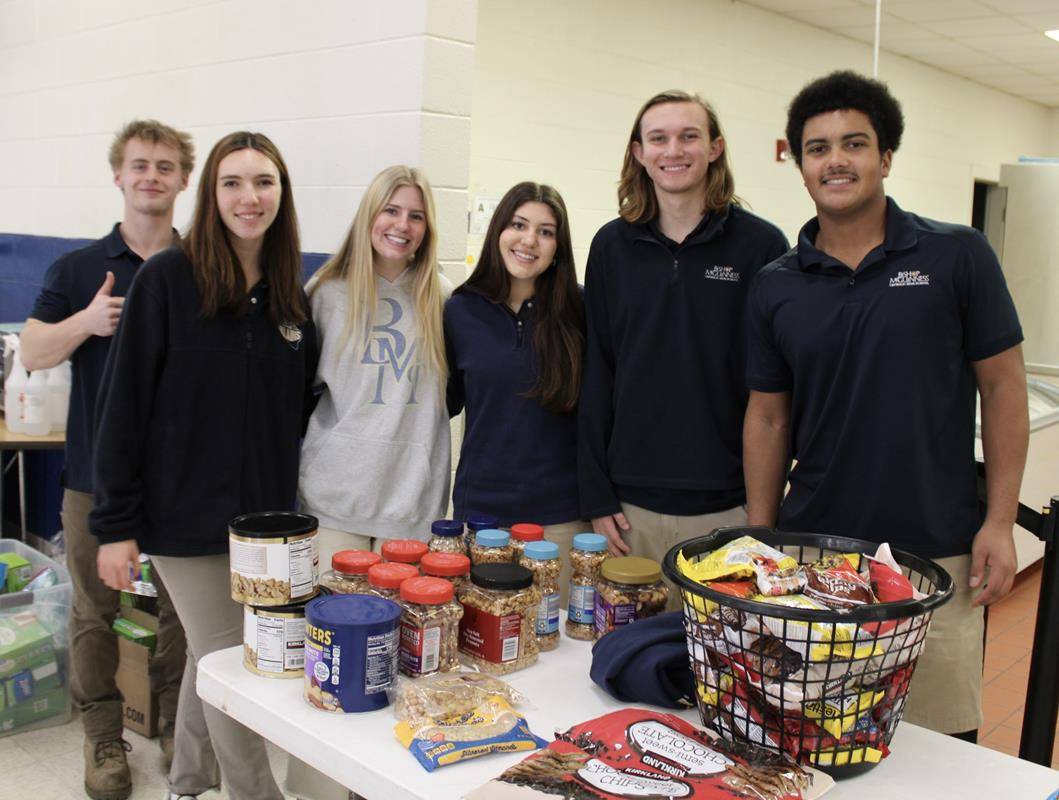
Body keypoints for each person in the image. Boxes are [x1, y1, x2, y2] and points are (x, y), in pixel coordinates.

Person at [743, 70, 1029, 741]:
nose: (834, 160)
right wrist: (760, 540)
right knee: (812, 737)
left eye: (853, 143)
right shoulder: (774, 286)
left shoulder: (956, 254)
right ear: (797, 161)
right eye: (817, 148)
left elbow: (1003, 388)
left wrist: (997, 522)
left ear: (884, 158)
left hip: (936, 549)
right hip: (815, 552)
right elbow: (767, 417)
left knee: (935, 742)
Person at [91, 131, 318, 800]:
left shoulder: (289, 295)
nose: (249, 198)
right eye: (232, 183)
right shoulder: (168, 278)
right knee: (234, 665)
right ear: (210, 194)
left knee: (207, 655)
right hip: (180, 521)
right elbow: (122, 407)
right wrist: (114, 525)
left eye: (263, 182)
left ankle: (186, 785)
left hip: (262, 529)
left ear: (282, 193)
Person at [21, 119, 193, 800]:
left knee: (184, 611)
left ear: (183, 179)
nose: (151, 177)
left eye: (165, 166)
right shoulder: (76, 270)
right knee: (94, 612)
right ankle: (103, 741)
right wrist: (85, 324)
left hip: (181, 482)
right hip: (94, 477)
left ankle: (182, 728)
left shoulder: (202, 265)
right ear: (118, 176)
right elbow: (33, 352)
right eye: (139, 165)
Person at [578, 90, 790, 576]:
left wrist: (761, 516)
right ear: (639, 153)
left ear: (714, 147)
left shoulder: (761, 246)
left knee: (716, 654)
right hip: (627, 510)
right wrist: (595, 491)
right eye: (659, 138)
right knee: (628, 651)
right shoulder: (612, 247)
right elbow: (598, 373)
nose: (673, 150)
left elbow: (777, 389)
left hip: (728, 507)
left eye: (688, 136)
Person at [298, 164, 452, 569]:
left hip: (412, 504)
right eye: (391, 210)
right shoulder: (326, 292)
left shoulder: (444, 298)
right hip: (336, 500)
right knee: (336, 626)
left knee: (404, 629)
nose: (402, 225)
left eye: (416, 216)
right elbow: (296, 393)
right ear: (370, 215)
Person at [445, 182, 586, 592]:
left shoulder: (582, 311)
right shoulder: (460, 309)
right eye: (519, 225)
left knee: (553, 641)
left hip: (561, 516)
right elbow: (445, 402)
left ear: (559, 246)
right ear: (498, 232)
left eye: (545, 231)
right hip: (483, 515)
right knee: (485, 639)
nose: (529, 240)